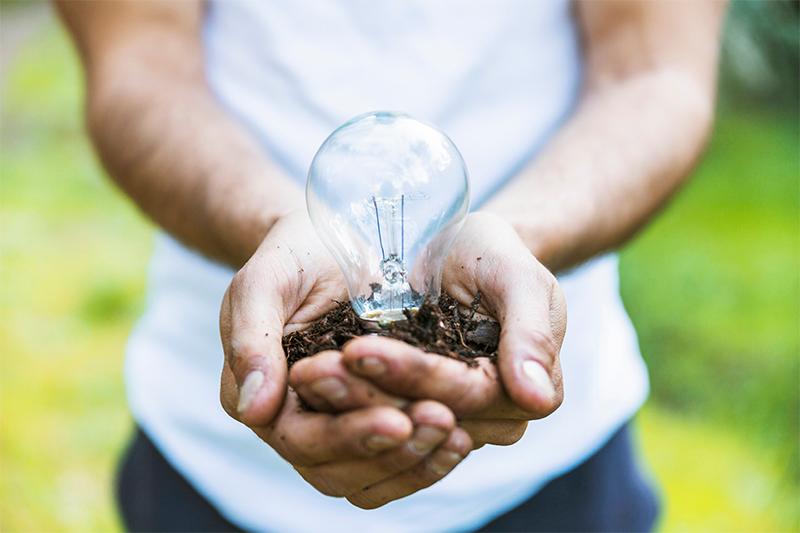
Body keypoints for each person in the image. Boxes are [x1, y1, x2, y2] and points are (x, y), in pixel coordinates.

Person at [57, 1, 726, 531]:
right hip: (211, 459)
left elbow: (654, 73)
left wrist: (517, 238)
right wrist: (273, 230)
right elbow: (138, 65)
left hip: (552, 470)